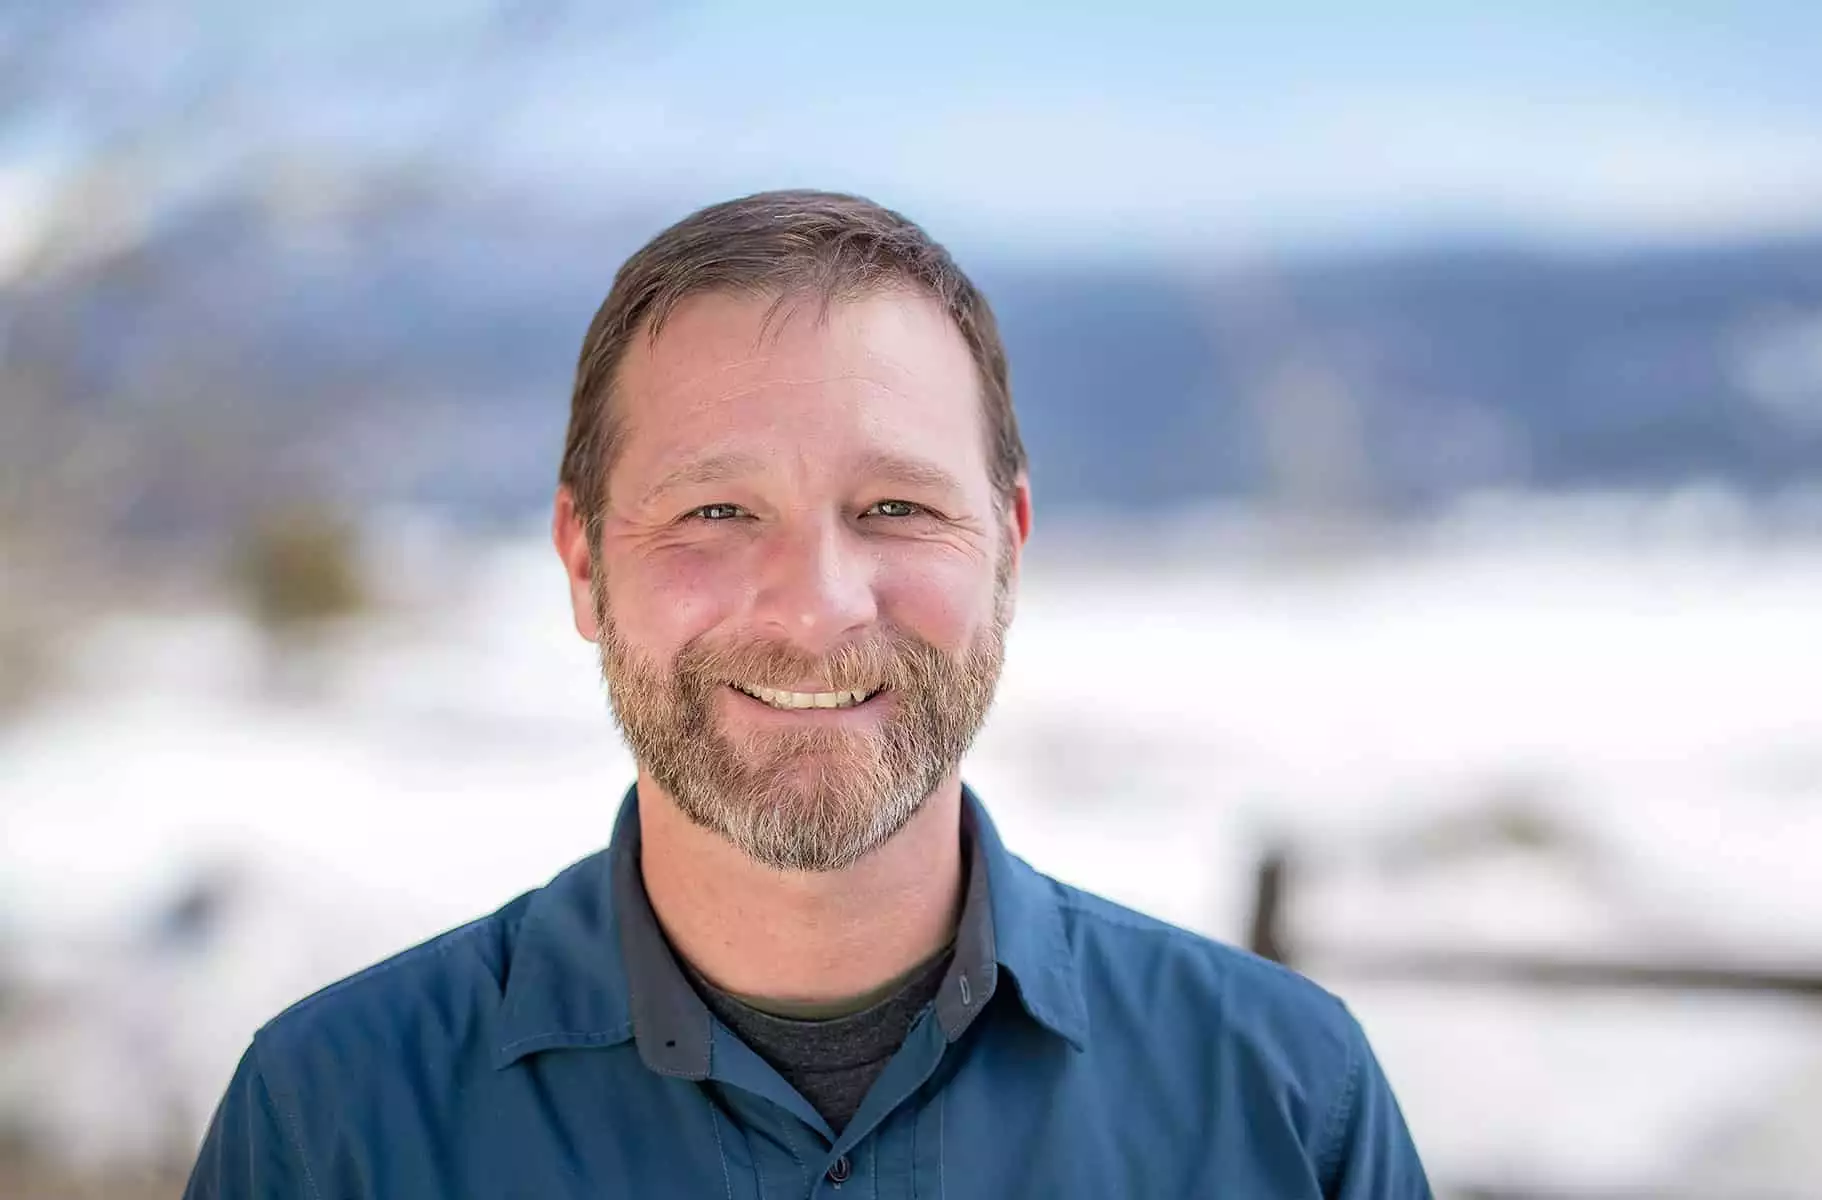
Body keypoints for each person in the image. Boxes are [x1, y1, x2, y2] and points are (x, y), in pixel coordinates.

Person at [184, 190, 1431, 1198]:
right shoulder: (333, 1121)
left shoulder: (1282, 1101)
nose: (816, 605)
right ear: (582, 562)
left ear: (1008, 548)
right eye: (717, 512)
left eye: (896, 507)